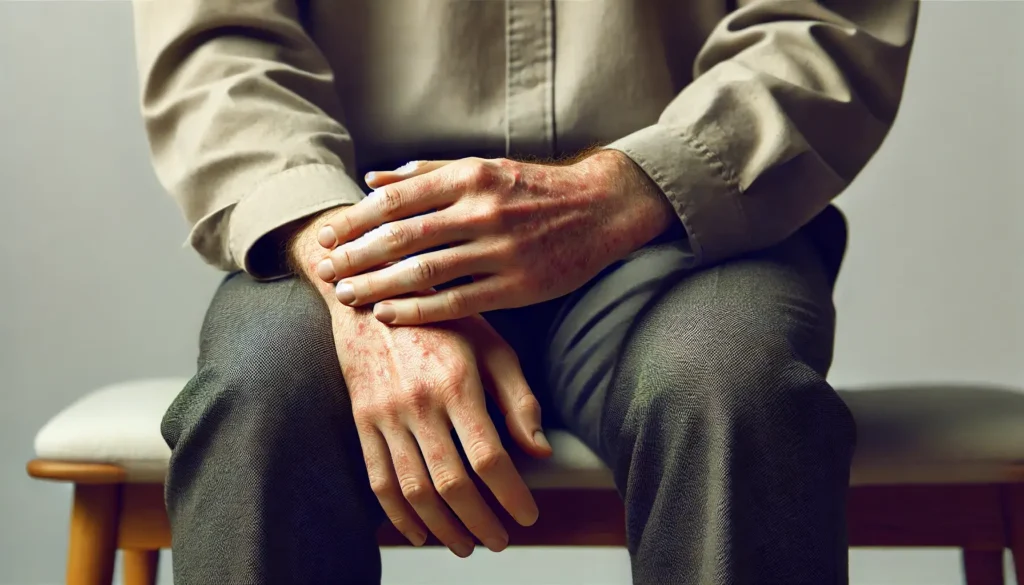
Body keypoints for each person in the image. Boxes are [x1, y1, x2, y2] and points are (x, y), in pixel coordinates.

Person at [131, 1, 918, 583]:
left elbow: (822, 24)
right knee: (261, 397)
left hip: (678, 233)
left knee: (735, 392)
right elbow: (215, 46)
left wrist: (626, 190)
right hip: (348, 221)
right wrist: (364, 272)